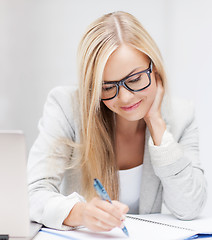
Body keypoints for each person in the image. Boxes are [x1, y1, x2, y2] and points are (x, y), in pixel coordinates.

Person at [28, 11, 207, 232]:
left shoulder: (181, 116)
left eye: (135, 79)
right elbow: (32, 192)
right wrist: (81, 213)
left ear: (155, 69)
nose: (125, 97)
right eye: (107, 87)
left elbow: (189, 207)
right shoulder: (66, 107)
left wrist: (156, 123)